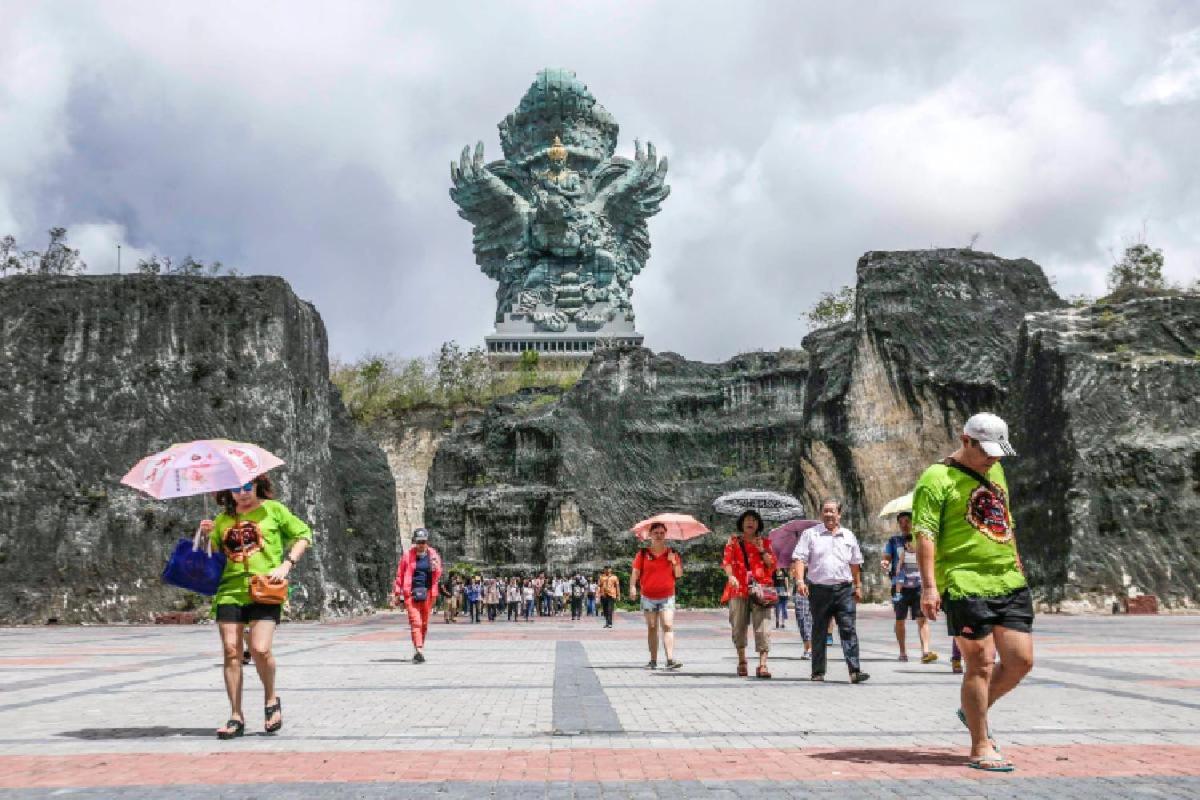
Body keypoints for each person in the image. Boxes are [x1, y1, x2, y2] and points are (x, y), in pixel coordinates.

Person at [915, 412, 1033, 773]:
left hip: (1007, 579)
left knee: (1020, 660)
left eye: (998, 453)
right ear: (965, 441)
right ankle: (980, 744)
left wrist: (1017, 562)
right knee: (980, 662)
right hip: (963, 580)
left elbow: (1006, 520)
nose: (993, 459)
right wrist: (930, 587)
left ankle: (973, 711)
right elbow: (925, 534)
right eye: (987, 452)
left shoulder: (996, 471)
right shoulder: (936, 478)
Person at [200, 474, 312, 739]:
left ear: (258, 485)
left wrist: (286, 565)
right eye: (236, 488)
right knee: (231, 651)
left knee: (260, 649)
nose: (242, 492)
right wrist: (206, 537)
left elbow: (303, 535)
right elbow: (212, 556)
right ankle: (236, 716)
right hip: (229, 591)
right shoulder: (222, 520)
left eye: (247, 486)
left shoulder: (273, 510)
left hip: (265, 588)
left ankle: (271, 699)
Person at [792, 499, 869, 684]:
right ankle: (818, 672)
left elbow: (855, 563)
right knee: (819, 630)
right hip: (819, 590)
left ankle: (855, 671)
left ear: (839, 514)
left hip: (844, 590)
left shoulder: (848, 536)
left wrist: (858, 586)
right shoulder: (811, 534)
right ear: (821, 514)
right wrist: (800, 581)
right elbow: (800, 559)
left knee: (848, 629)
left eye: (832, 511)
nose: (828, 514)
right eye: (825, 511)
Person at [721, 510, 776, 679]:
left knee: (763, 627)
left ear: (758, 524)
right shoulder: (733, 542)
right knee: (738, 626)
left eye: (754, 520)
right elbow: (727, 561)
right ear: (742, 523)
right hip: (738, 588)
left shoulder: (765, 543)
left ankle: (763, 665)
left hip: (761, 590)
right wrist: (730, 576)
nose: (750, 522)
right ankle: (742, 661)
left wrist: (762, 551)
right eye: (747, 520)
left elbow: (772, 565)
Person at [883, 512, 937, 663]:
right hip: (900, 587)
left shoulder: (921, 539)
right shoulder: (894, 541)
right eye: (901, 522)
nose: (904, 524)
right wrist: (885, 562)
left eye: (907, 521)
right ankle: (902, 652)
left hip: (919, 585)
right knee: (900, 619)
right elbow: (887, 557)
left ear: (913, 523)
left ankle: (925, 651)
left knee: (922, 619)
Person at [630, 523, 684, 670]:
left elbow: (679, 574)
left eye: (662, 533)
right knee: (652, 627)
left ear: (665, 535)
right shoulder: (643, 554)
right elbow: (635, 572)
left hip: (667, 595)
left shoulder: (672, 553)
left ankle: (670, 660)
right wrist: (632, 587)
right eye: (656, 533)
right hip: (648, 596)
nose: (659, 535)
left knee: (667, 625)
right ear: (650, 535)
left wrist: (674, 562)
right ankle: (653, 660)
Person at [390, 528, 443, 664]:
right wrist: (397, 593)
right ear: (414, 542)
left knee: (424, 623)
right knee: (416, 622)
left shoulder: (433, 555)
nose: (421, 545)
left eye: (423, 542)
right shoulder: (407, 556)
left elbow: (438, 574)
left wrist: (435, 568)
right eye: (418, 542)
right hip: (411, 593)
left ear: (427, 542)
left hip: (429, 593)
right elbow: (400, 575)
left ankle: (419, 648)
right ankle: (419, 650)